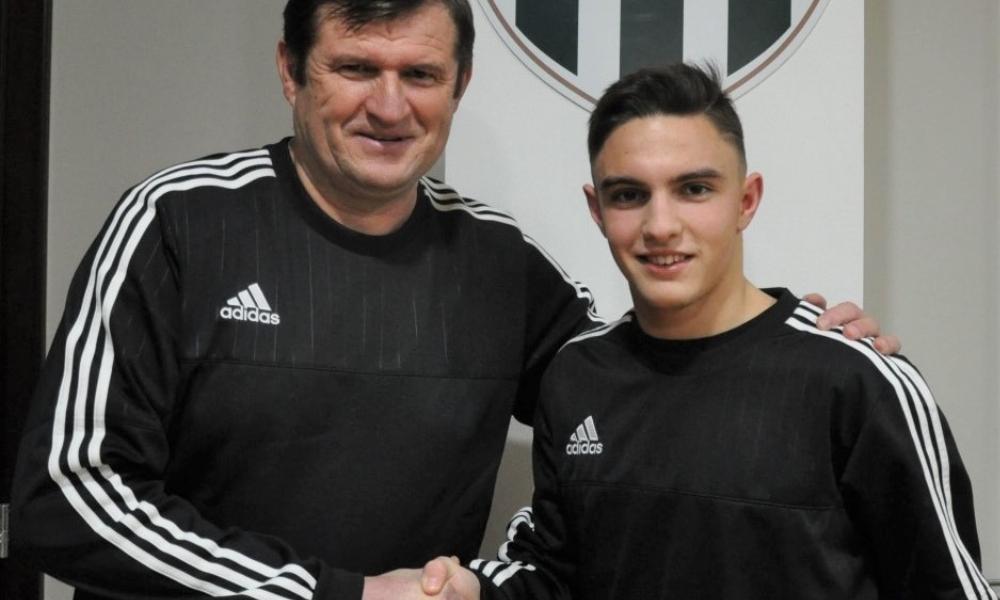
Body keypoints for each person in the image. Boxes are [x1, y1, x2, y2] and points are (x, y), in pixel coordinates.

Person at [11, 2, 895, 599]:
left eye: (422, 74)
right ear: (290, 71)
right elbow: (65, 499)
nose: (389, 106)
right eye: (356, 66)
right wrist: (334, 595)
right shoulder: (178, 224)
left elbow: (642, 392)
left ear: (461, 84)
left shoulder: (501, 263)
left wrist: (796, 343)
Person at [450, 64, 995, 599]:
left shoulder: (857, 380)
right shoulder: (576, 376)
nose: (661, 226)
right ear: (597, 209)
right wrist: (464, 588)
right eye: (629, 195)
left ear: (746, 200)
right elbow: (554, 575)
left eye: (693, 189)